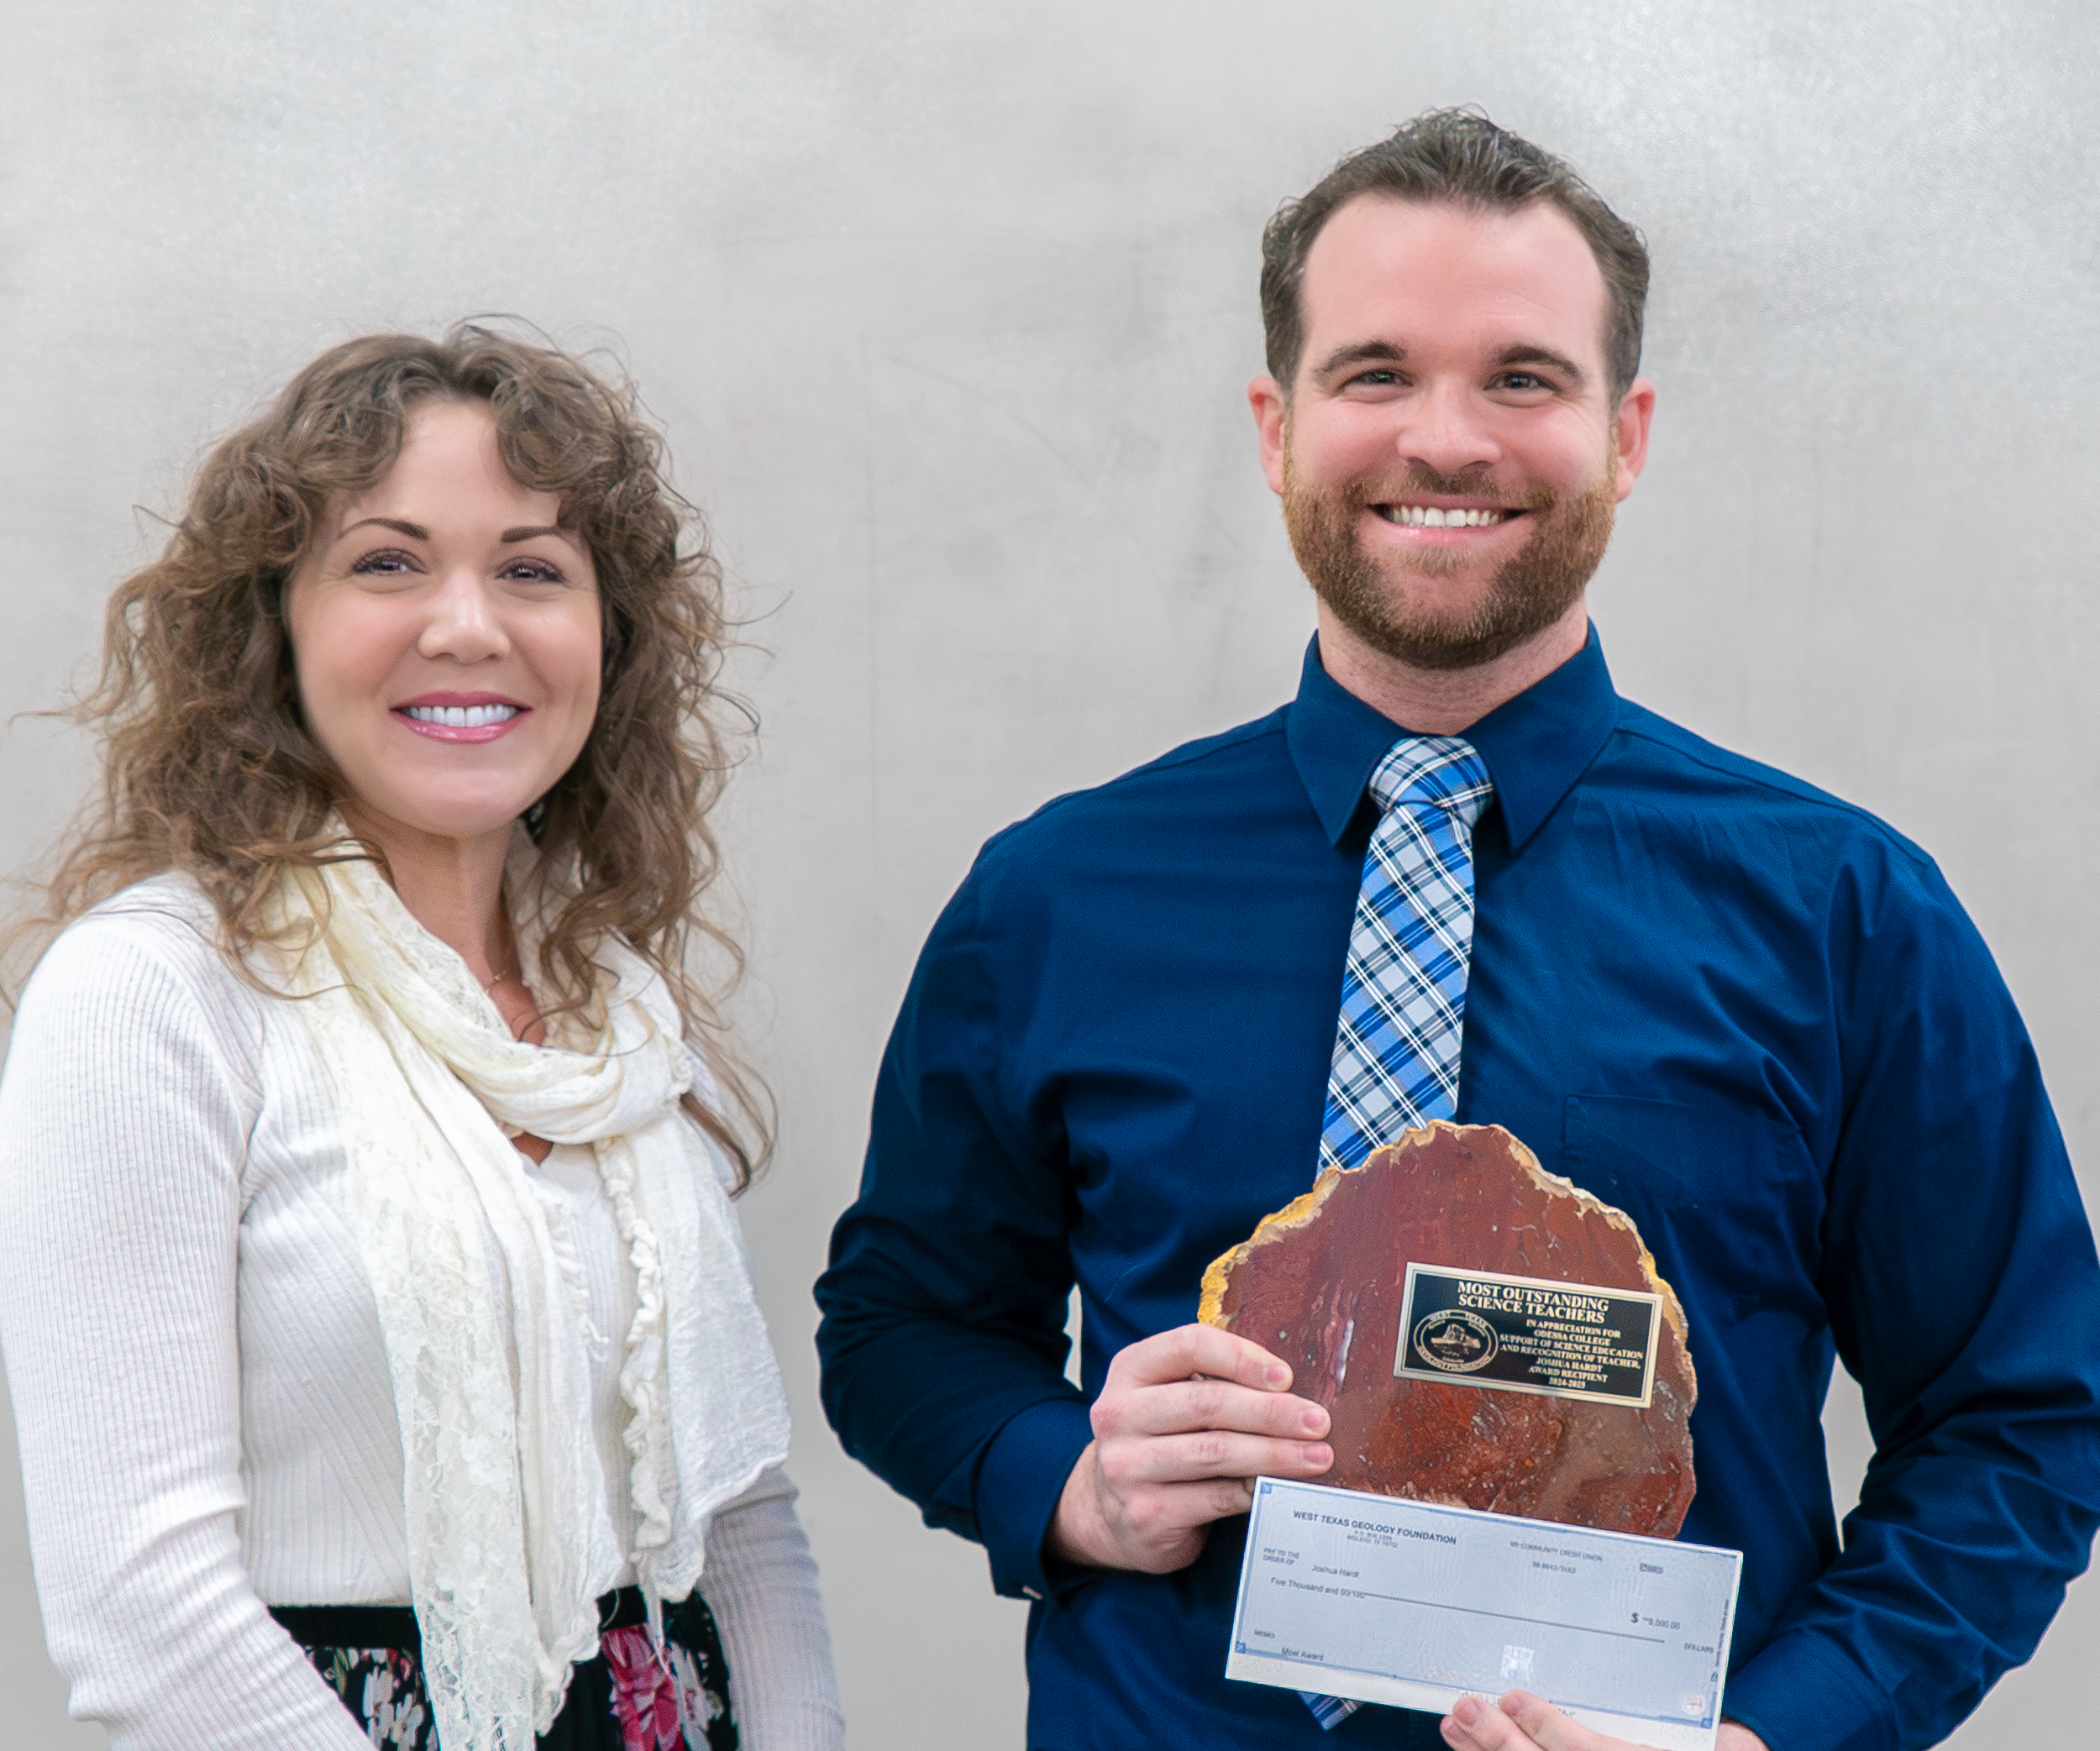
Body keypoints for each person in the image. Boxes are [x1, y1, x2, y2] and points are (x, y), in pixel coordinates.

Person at [814, 111, 2100, 1751]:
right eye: (1371, 374)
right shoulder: (1053, 896)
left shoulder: (1842, 911)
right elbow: (899, 1324)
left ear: (1622, 432)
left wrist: (1772, 1735)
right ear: (1274, 425)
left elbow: (2019, 1417)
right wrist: (1061, 1480)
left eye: (1518, 377)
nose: (1444, 439)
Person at [0, 327, 844, 1751]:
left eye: (532, 568)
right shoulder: (157, 994)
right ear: (275, 627)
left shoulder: (617, 1010)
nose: (469, 626)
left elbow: (739, 1519)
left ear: (606, 638)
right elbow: (143, 1620)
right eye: (388, 562)